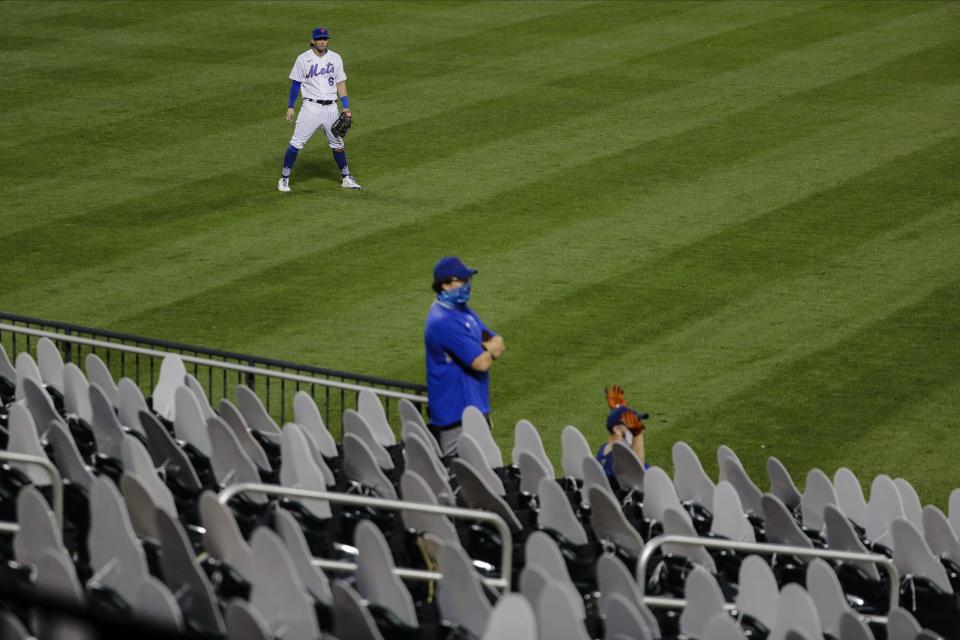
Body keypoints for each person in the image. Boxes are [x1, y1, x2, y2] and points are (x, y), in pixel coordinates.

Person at [424, 256, 505, 457]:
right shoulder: (442, 321)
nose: (467, 285)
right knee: (461, 474)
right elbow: (481, 362)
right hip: (456, 416)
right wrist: (487, 349)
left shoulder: (463, 311)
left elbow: (497, 342)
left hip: (475, 408)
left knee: (484, 472)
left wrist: (485, 347)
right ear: (445, 284)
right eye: (461, 280)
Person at [278, 26, 361, 192]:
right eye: (320, 39)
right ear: (313, 41)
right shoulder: (303, 59)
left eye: (325, 39)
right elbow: (296, 84)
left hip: (331, 108)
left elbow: (341, 83)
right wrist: (290, 106)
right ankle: (284, 178)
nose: (323, 42)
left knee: (337, 143)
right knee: (296, 143)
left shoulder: (336, 58)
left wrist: (346, 107)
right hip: (311, 108)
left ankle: (346, 178)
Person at [596, 385, 649, 477]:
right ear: (617, 429)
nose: (635, 425)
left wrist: (618, 409)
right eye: (630, 422)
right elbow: (639, 475)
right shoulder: (618, 459)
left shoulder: (604, 449)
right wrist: (638, 434)